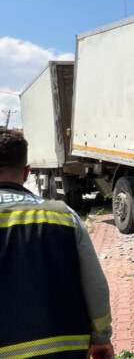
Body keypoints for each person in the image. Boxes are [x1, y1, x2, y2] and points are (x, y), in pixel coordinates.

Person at [0, 130, 114, 359]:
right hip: (65, 349)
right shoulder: (64, 215)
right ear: (26, 172)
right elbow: (95, 285)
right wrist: (101, 337)